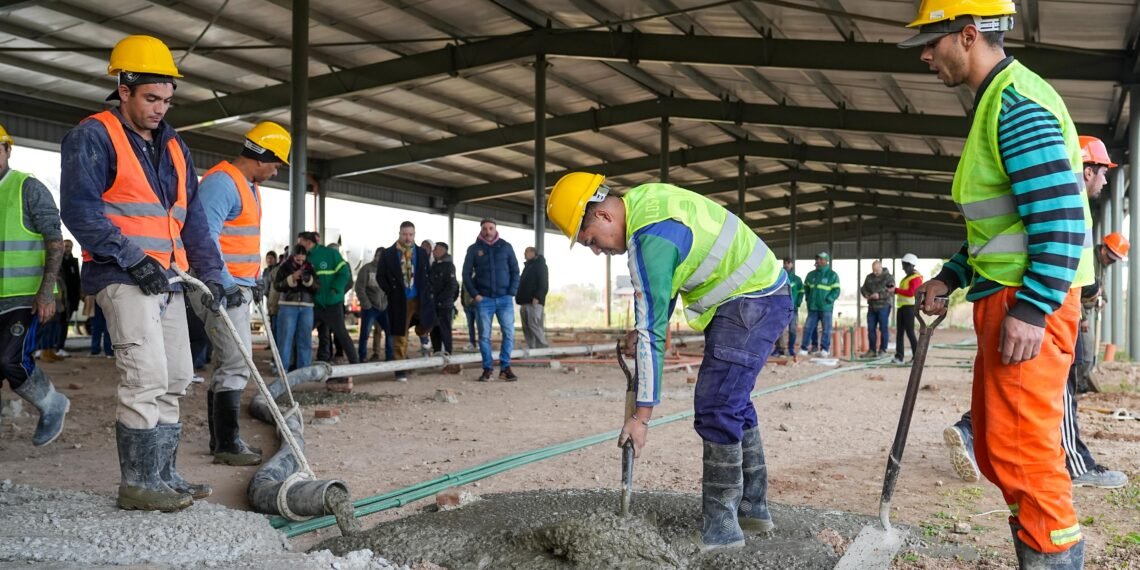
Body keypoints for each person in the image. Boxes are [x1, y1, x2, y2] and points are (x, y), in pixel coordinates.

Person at [900, 2, 1093, 564]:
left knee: (1025, 457)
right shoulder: (997, 102)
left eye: (933, 41)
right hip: (1005, 295)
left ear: (968, 35)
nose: (925, 55)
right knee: (996, 448)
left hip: (1025, 301)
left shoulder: (1016, 105)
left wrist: (1033, 309)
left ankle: (1053, 555)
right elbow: (1001, 225)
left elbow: (1059, 217)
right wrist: (951, 276)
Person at [548, 172, 791, 551]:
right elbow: (667, 285)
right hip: (758, 293)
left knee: (716, 405)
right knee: (732, 400)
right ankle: (751, 509)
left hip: (751, 299)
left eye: (591, 240)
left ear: (604, 216)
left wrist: (641, 417)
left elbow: (653, 333)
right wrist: (642, 327)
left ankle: (722, 531)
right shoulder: (646, 201)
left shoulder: (648, 238)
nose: (596, 251)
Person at [60, 35, 225, 511]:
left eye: (167, 100)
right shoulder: (93, 136)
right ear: (124, 89)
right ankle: (137, 484)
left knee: (177, 376)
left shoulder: (174, 145)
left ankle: (164, 475)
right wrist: (132, 258)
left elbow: (192, 219)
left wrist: (211, 274)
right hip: (123, 276)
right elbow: (81, 212)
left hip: (169, 279)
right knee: (145, 376)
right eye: (151, 98)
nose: (160, 109)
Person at [196, 121, 290, 467]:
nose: (276, 171)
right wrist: (227, 283)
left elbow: (240, 241)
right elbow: (204, 238)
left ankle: (222, 441)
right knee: (237, 363)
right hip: (222, 287)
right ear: (261, 156)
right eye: (276, 164)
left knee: (229, 362)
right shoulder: (222, 183)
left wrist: (256, 277)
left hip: (239, 285)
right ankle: (227, 444)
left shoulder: (248, 186)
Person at [0, 122, 71, 448]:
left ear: (7, 149)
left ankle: (51, 403)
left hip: (25, 297)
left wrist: (46, 292)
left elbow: (54, 240)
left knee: (9, 360)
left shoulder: (27, 187)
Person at [1075, 136, 1116, 392]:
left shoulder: (1081, 210)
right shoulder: (1072, 211)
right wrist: (1081, 314)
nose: (1106, 181)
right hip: (1069, 309)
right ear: (1088, 172)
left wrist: (1101, 295)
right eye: (1104, 173)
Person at [377, 222, 436, 382]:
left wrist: (429, 289)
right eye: (405, 234)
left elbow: (428, 273)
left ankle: (422, 333)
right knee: (400, 336)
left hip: (420, 297)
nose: (408, 238)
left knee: (428, 323)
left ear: (414, 234)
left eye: (411, 234)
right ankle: (400, 369)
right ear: (399, 234)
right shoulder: (388, 254)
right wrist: (391, 291)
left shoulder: (421, 252)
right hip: (399, 299)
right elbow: (380, 276)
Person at [462, 218, 520, 382]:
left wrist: (511, 292)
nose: (488, 231)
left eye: (491, 228)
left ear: (495, 229)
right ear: (481, 230)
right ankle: (487, 369)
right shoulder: (474, 249)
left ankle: (505, 368)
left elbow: (515, 271)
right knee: (484, 337)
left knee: (509, 334)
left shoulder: (506, 247)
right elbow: (466, 274)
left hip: (504, 299)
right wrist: (475, 294)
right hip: (484, 300)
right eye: (485, 229)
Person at [298, 232, 358, 381]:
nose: (299, 245)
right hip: (315, 304)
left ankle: (356, 365)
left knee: (341, 334)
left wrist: (335, 290)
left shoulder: (331, 254)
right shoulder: (304, 258)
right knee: (302, 333)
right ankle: (299, 366)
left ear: (308, 242)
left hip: (333, 304)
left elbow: (344, 273)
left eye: (301, 242)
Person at [274, 244, 319, 375]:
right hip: (287, 305)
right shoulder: (284, 267)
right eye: (297, 260)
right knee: (285, 339)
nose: (300, 262)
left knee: (305, 339)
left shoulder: (310, 268)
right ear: (292, 257)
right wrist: (291, 278)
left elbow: (317, 287)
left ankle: (304, 370)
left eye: (302, 260)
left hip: (307, 307)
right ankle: (281, 369)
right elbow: (277, 286)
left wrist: (308, 280)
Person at [799, 252, 839, 357]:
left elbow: (836, 291)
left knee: (826, 329)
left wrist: (828, 300)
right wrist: (808, 299)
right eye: (817, 259)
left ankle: (825, 349)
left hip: (826, 308)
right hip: (813, 307)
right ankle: (804, 348)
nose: (818, 261)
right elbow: (806, 288)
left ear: (826, 261)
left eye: (821, 259)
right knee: (808, 328)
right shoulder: (811, 275)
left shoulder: (832, 275)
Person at [355, 247, 391, 362]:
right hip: (370, 307)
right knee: (365, 333)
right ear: (375, 256)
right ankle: (362, 357)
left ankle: (390, 357)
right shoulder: (366, 269)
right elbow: (359, 288)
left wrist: (388, 303)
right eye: (380, 256)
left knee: (390, 332)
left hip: (384, 307)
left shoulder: (388, 270)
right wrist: (366, 304)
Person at [516, 246, 550, 349]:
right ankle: (532, 348)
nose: (524, 254)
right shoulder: (527, 267)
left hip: (534, 302)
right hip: (524, 301)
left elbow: (543, 283)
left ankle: (543, 347)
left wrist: (538, 297)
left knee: (534, 325)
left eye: (526, 251)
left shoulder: (540, 266)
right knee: (526, 327)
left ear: (533, 253)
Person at [859, 260, 894, 358]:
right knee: (871, 329)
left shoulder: (888, 278)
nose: (875, 272)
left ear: (881, 267)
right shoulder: (869, 277)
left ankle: (883, 350)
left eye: (877, 270)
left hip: (884, 306)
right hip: (872, 306)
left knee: (883, 328)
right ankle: (872, 350)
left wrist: (879, 295)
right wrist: (866, 294)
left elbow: (891, 291)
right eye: (874, 270)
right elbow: (863, 288)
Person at [429, 242, 459, 355]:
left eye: (436, 249)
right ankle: (436, 351)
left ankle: (447, 352)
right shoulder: (433, 265)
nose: (433, 251)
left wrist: (441, 300)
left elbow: (452, 286)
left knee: (445, 329)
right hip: (433, 304)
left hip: (444, 305)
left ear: (443, 250)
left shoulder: (449, 266)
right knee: (434, 329)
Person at [893, 253, 923, 364]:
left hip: (909, 308)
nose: (903, 268)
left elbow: (911, 293)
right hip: (902, 307)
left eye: (904, 265)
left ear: (910, 265)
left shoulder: (916, 278)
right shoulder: (907, 277)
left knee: (910, 332)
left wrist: (896, 290)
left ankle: (916, 357)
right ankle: (899, 356)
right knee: (899, 333)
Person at [773, 258, 803, 357]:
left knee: (792, 330)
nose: (786, 265)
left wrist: (798, 303)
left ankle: (791, 349)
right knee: (779, 329)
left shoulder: (797, 279)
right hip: (781, 308)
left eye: (788, 263)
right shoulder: (778, 278)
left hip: (793, 309)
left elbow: (801, 292)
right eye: (785, 263)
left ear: (792, 265)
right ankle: (779, 349)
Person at [56, 239, 81, 357]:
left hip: (70, 299)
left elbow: (77, 281)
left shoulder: (74, 262)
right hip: (58, 298)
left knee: (65, 323)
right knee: (54, 323)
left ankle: (60, 347)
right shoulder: (57, 261)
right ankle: (48, 347)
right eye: (66, 246)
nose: (68, 249)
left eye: (70, 247)